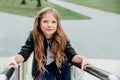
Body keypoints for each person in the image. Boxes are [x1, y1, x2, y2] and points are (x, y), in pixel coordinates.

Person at [5, 7, 89, 80]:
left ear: (57, 24)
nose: (49, 25)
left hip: (61, 70)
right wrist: (14, 59)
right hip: (42, 70)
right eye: (45, 21)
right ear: (39, 23)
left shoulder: (62, 37)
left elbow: (72, 55)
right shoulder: (34, 35)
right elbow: (24, 54)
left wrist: (82, 59)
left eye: (53, 22)